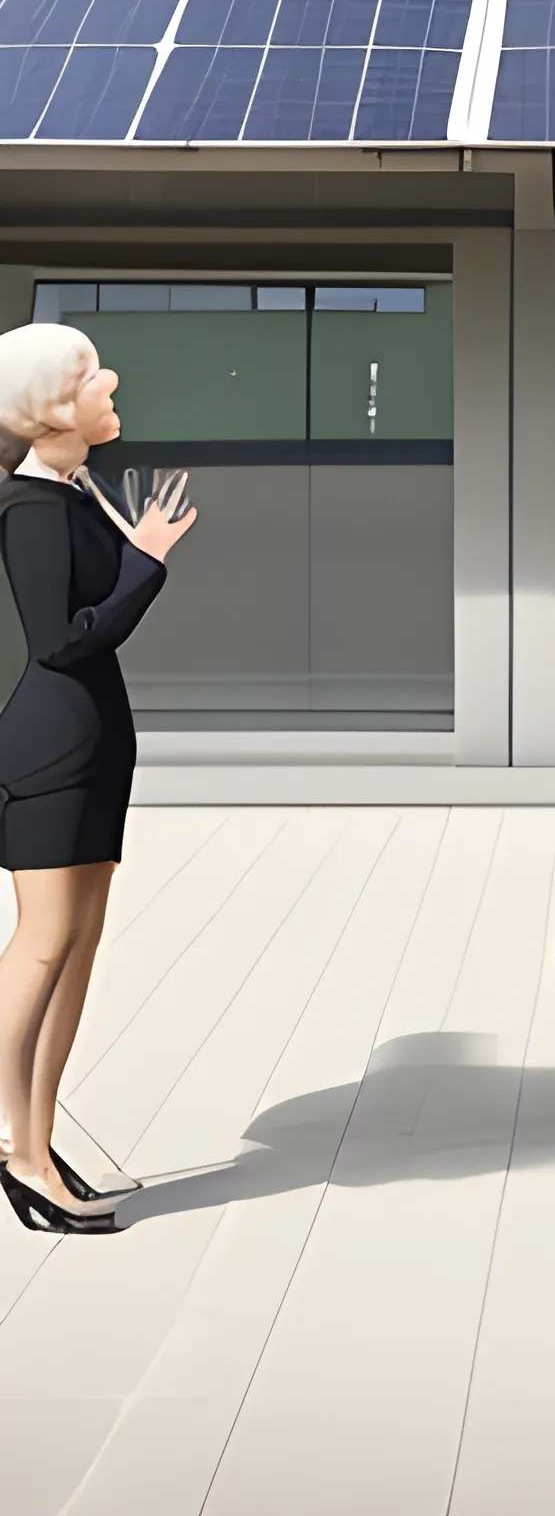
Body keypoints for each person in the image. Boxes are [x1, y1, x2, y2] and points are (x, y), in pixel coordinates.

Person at [0, 323, 197, 1235]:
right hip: (49, 754)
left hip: (95, 748)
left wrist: (137, 551)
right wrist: (147, 564)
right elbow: (66, 641)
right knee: (43, 947)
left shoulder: (78, 495)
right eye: (87, 373)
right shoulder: (30, 510)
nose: (109, 380)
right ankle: (16, 1149)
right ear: (47, 406)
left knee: (76, 954)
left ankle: (39, 1148)